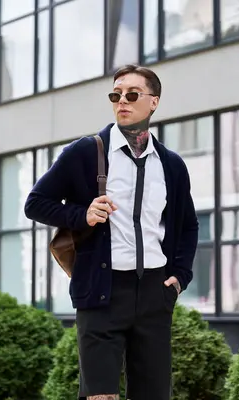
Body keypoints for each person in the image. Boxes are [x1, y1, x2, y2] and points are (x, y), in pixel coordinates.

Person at [24, 64, 198, 400]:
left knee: (153, 394)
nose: (122, 101)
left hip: (154, 292)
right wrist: (82, 214)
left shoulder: (171, 164)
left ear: (154, 102)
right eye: (115, 95)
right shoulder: (85, 153)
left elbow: (187, 225)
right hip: (100, 292)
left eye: (132, 94)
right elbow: (36, 203)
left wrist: (180, 276)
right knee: (99, 395)